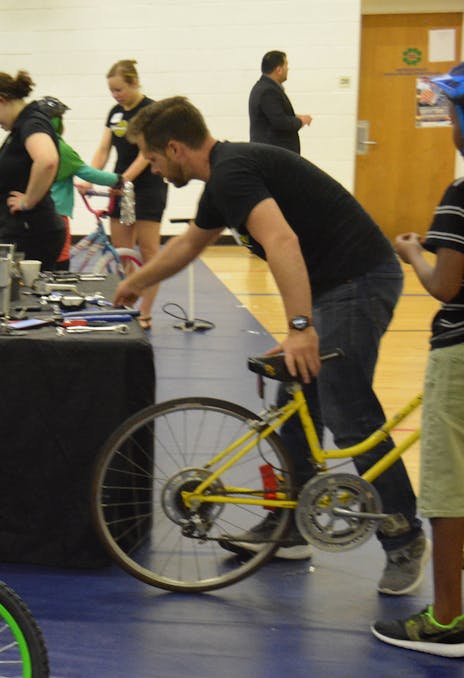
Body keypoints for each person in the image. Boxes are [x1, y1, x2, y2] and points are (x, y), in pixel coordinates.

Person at [111, 96, 429, 597]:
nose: (151, 168)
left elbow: (281, 241)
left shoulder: (233, 171)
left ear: (174, 148)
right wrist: (137, 283)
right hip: (332, 286)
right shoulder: (224, 176)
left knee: (347, 407)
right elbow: (191, 245)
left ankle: (403, 536)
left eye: (152, 158)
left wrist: (300, 327)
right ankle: (290, 528)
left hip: (359, 279)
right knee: (294, 402)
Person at [374, 64, 464, 655]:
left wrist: (412, 252)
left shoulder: (460, 197)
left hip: (458, 354)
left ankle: (448, 619)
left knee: (449, 492)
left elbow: (446, 285)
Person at [88, 59, 166, 327]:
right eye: (111, 91)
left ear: (134, 83)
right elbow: (103, 149)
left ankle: (145, 311)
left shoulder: (151, 111)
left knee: (148, 251)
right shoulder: (115, 112)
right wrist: (90, 175)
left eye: (119, 89)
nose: (115, 95)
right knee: (121, 251)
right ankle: (127, 303)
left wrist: (124, 179)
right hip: (120, 187)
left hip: (147, 186)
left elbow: (147, 154)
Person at [0, 70, 65, 267]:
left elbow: (47, 160)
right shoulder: (21, 127)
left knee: (24, 296)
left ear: (1, 100)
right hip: (22, 231)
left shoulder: (32, 123)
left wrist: (28, 201)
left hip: (32, 233)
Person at [34, 96, 120, 266]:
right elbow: (87, 173)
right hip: (56, 212)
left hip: (36, 211)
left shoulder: (31, 144)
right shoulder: (59, 147)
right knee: (60, 260)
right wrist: (118, 179)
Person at [249, 50, 310, 154]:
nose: (288, 69)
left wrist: (295, 117)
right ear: (279, 70)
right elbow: (280, 122)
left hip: (273, 153)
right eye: (286, 65)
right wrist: (301, 121)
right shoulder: (268, 91)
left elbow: (273, 115)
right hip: (273, 155)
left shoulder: (264, 87)